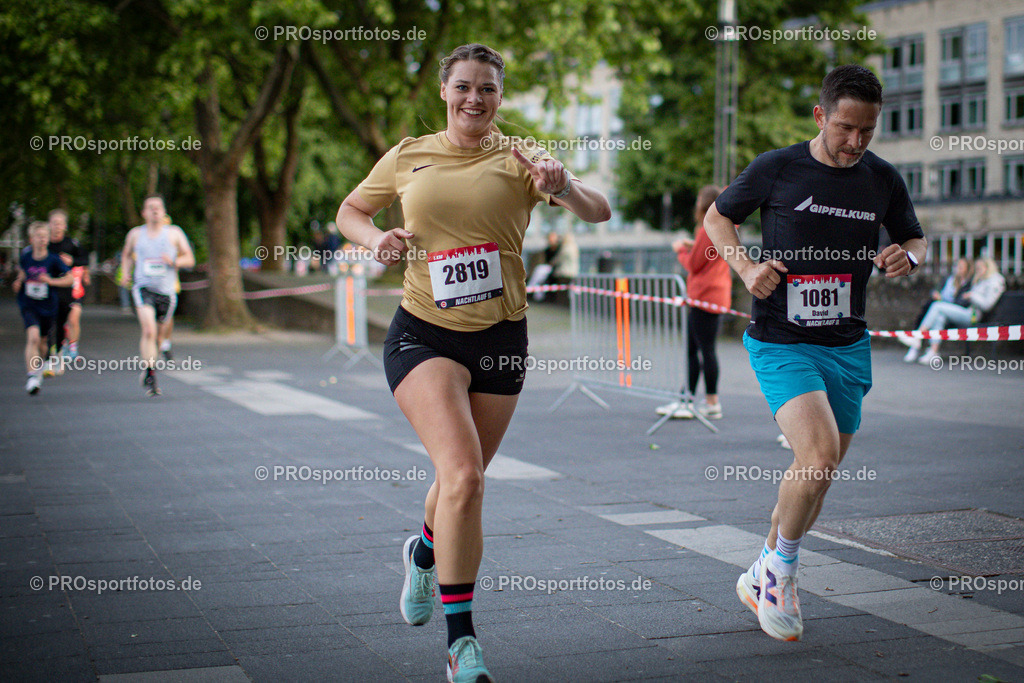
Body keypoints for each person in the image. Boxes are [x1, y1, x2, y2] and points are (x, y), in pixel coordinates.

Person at [336, 43, 610, 682]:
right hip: (423, 335)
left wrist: (562, 184)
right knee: (465, 477)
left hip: (500, 339)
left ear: (499, 97)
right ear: (444, 91)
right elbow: (351, 211)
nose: (474, 99)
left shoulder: (521, 159)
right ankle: (463, 644)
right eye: (463, 86)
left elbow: (596, 210)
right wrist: (377, 237)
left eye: (487, 88)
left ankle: (424, 553)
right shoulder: (408, 156)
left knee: (459, 482)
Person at [703, 65, 926, 642]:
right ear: (820, 116)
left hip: (848, 344)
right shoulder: (777, 168)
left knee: (817, 474)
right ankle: (782, 573)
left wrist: (909, 256)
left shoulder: (882, 178)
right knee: (820, 453)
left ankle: (760, 570)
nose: (856, 142)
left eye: (868, 131)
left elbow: (912, 234)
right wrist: (746, 266)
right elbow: (717, 217)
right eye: (846, 128)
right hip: (782, 340)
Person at [656, 185, 731, 419]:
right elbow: (705, 254)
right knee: (704, 349)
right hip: (716, 295)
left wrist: (680, 250)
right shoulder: (724, 226)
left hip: (703, 297)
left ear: (704, 204)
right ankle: (700, 400)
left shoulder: (706, 230)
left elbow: (694, 265)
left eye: (699, 198)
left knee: (697, 351)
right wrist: (692, 246)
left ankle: (695, 401)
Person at [120, 195, 195, 396]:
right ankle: (151, 373)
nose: (155, 210)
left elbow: (189, 258)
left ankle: (151, 364)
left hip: (167, 292)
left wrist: (174, 261)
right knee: (148, 331)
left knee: (160, 337)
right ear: (144, 213)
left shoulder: (174, 233)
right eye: (150, 207)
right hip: (143, 288)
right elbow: (126, 255)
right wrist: (126, 272)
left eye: (158, 207)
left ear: (163, 212)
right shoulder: (136, 234)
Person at [901, 257, 1005, 364]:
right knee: (940, 317)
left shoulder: (994, 281)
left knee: (937, 306)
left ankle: (918, 336)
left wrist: (972, 295)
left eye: (979, 268)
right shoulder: (982, 280)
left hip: (972, 316)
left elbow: (987, 305)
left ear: (988, 268)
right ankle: (933, 350)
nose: (977, 271)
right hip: (969, 313)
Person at [13, 222, 74, 394]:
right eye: (39, 236)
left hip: (48, 306)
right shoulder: (25, 256)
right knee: (32, 337)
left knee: (42, 342)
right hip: (28, 304)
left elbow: (70, 279)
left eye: (45, 236)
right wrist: (19, 281)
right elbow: (23, 273)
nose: (42, 240)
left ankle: (43, 362)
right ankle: (32, 376)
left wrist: (51, 281)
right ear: (31, 239)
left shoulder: (54, 260)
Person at [47, 209, 89, 361]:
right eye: (54, 223)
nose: (57, 226)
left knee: (73, 318)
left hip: (71, 287)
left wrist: (72, 262)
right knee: (54, 320)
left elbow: (85, 260)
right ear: (49, 225)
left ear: (65, 226)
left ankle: (73, 347)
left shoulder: (72, 244)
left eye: (60, 223)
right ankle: (55, 346)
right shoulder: (45, 244)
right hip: (50, 288)